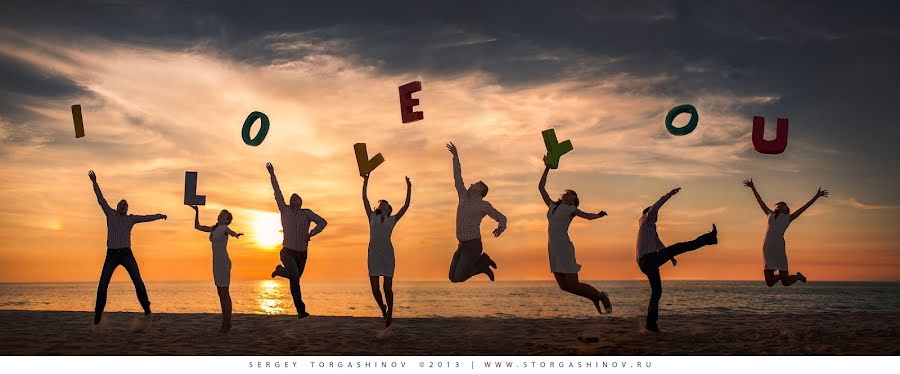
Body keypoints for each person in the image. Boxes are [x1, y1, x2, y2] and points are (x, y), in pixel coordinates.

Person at [88, 170, 167, 326]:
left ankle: (147, 309)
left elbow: (146, 218)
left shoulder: (131, 219)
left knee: (137, 281)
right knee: (103, 283)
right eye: (121, 204)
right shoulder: (110, 214)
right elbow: (100, 199)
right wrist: (94, 182)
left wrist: (159, 215)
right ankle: (98, 314)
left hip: (126, 254)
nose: (123, 205)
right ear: (117, 207)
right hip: (111, 254)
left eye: (125, 204)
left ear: (127, 208)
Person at [637, 187, 717, 332]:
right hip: (649, 259)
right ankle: (709, 238)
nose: (657, 218)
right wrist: (669, 194)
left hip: (645, 262)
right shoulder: (647, 218)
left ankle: (651, 324)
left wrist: (670, 257)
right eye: (656, 216)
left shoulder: (647, 228)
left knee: (657, 291)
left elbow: (659, 245)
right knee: (681, 246)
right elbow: (657, 205)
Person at [538, 161, 612, 315]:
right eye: (568, 192)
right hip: (552, 248)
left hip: (564, 248)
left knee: (574, 284)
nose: (568, 193)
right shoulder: (552, 206)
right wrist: (547, 167)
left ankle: (600, 297)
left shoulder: (571, 209)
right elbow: (541, 188)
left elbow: (587, 216)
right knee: (564, 287)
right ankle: (594, 298)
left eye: (572, 194)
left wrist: (598, 215)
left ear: (573, 201)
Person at [265, 162, 328, 318]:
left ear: (301, 202)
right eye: (292, 198)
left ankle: (280, 270)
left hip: (302, 253)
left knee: (295, 276)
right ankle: (301, 310)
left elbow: (323, 222)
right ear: (290, 201)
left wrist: (311, 233)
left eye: (297, 198)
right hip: (287, 252)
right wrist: (272, 174)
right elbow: (277, 192)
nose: (294, 198)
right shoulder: (284, 210)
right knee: (295, 280)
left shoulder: (307, 213)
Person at [743, 178, 828, 287]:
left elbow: (804, 208)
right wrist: (752, 187)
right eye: (778, 205)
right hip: (767, 248)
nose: (780, 206)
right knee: (769, 283)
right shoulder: (770, 214)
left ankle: (797, 277)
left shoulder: (789, 218)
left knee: (786, 282)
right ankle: (784, 276)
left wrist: (817, 196)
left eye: (783, 205)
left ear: (786, 209)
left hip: (778, 248)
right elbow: (760, 201)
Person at [446, 142, 508, 282]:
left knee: (460, 277)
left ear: (480, 190)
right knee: (452, 278)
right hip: (462, 245)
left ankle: (482, 265)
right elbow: (458, 178)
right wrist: (456, 157)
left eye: (475, 184)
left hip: (473, 246)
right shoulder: (463, 196)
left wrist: (500, 227)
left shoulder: (483, 205)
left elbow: (501, 217)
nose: (471, 184)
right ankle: (483, 264)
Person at [361, 172, 412, 327]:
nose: (383, 204)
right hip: (373, 254)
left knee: (387, 288)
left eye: (386, 204)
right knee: (375, 289)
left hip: (387, 255)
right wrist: (365, 181)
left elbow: (406, 205)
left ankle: (390, 311)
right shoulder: (372, 216)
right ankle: (382, 307)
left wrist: (409, 187)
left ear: (389, 209)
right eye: (381, 203)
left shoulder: (393, 219)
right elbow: (365, 199)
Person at [190, 205, 243, 333]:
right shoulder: (214, 229)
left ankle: (227, 322)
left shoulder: (224, 228)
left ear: (226, 220)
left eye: (223, 214)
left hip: (224, 263)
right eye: (221, 213)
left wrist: (236, 234)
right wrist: (197, 211)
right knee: (220, 293)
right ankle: (225, 322)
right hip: (216, 264)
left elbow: (231, 232)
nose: (220, 214)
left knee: (225, 293)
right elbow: (197, 227)